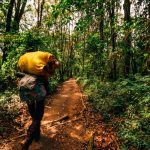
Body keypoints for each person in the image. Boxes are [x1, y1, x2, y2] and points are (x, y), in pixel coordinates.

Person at [17, 51, 60, 150]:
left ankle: (37, 134)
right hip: (37, 86)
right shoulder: (47, 59)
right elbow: (49, 70)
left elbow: (20, 69)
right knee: (38, 115)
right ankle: (28, 139)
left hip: (26, 86)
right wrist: (50, 70)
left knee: (33, 114)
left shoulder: (26, 57)